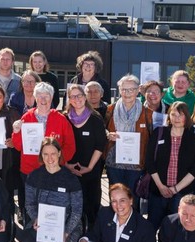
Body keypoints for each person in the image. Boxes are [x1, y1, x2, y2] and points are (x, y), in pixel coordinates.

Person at [11, 82, 76, 214]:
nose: (43, 99)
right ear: (35, 98)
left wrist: (58, 161)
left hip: (53, 170)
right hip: (29, 169)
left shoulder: (61, 119)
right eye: (39, 96)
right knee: (30, 205)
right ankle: (29, 229)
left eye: (46, 96)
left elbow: (70, 146)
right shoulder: (26, 117)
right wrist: (16, 131)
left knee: (51, 205)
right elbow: (18, 146)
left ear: (52, 98)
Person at [144, 101, 195, 228]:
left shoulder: (194, 139)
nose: (177, 118)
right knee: (152, 224)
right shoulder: (158, 133)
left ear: (186, 117)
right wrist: (161, 187)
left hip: (182, 193)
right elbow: (149, 161)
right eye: (173, 114)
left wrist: (175, 189)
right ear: (169, 116)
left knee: (176, 228)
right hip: (158, 190)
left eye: (180, 115)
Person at [103, 74, 154, 199]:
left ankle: (133, 219)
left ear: (137, 91)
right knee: (115, 197)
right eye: (124, 89)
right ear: (119, 90)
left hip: (136, 164)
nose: (127, 93)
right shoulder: (110, 109)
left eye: (131, 89)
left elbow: (152, 139)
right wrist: (108, 134)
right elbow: (101, 130)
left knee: (133, 198)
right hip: (114, 162)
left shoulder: (147, 113)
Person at [64, 83, 108, 226]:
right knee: (71, 206)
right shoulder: (64, 118)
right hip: (69, 170)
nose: (77, 99)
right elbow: (58, 144)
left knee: (91, 206)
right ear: (69, 99)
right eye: (73, 96)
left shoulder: (96, 118)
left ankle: (91, 236)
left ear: (85, 97)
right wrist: (66, 165)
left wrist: (89, 167)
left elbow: (100, 145)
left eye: (80, 95)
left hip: (90, 171)